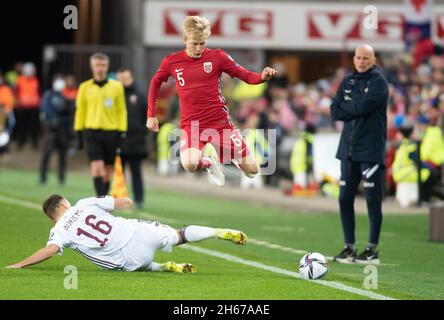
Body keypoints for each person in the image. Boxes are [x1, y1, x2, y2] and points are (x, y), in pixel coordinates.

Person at [146, 16, 277, 186]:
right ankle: (208, 161)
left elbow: (244, 74)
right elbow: (155, 82)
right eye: (194, 43)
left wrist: (261, 77)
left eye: (203, 43)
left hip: (219, 123)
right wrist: (151, 114)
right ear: (185, 39)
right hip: (191, 125)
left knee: (253, 171)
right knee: (190, 164)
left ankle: (232, 157)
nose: (199, 48)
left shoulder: (218, 57)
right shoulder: (172, 61)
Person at [6, 194, 247, 272]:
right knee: (179, 235)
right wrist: (116, 200)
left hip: (129, 259)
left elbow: (50, 251)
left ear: (51, 215)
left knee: (124, 262)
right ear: (65, 204)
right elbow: (126, 202)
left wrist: (20, 264)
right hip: (138, 231)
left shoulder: (58, 231)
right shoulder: (83, 203)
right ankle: (217, 231)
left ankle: (163, 267)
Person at [330, 44, 389, 265]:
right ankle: (349, 247)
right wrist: (353, 108)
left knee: (373, 199)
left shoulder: (379, 82)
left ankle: (372, 249)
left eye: (366, 58)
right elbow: (335, 111)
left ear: (373, 60)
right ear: (354, 59)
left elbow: (362, 108)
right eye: (358, 57)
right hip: (348, 148)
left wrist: (350, 107)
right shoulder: (348, 81)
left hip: (370, 148)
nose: (362, 61)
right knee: (344, 197)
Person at [74, 53, 127, 196]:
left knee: (108, 169)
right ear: (92, 67)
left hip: (112, 132)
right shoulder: (85, 87)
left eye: (103, 65)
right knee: (96, 166)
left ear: (107, 67)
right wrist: (78, 132)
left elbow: (121, 110)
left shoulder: (116, 87)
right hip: (91, 132)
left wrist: (122, 132)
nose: (100, 68)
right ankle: (101, 199)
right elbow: (80, 110)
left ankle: (103, 198)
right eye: (97, 65)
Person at [116, 69, 148, 209]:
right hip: (118, 141)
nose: (124, 81)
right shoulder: (114, 96)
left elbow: (148, 117)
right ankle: (118, 201)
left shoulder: (139, 96)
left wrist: (141, 132)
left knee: (136, 172)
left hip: (136, 143)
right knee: (118, 174)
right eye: (121, 78)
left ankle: (139, 200)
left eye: (126, 78)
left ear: (131, 78)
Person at [39, 75, 73, 185]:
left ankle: (61, 178)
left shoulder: (66, 96)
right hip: (51, 130)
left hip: (63, 130)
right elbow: (46, 109)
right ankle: (43, 177)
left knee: (62, 155)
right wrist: (55, 119)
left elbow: (70, 113)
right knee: (47, 153)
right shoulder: (48, 95)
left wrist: (61, 120)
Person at [15, 62, 41, 150]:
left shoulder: (35, 80)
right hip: (22, 107)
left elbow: (38, 93)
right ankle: (20, 143)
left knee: (34, 126)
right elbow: (16, 92)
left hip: (33, 107)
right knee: (22, 126)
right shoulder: (20, 80)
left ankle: (34, 143)